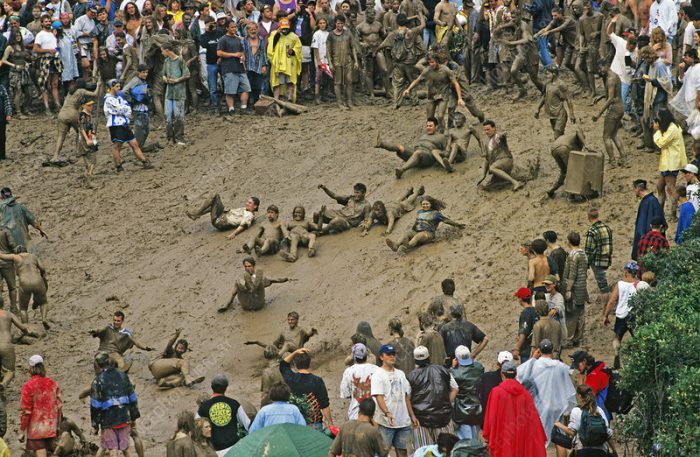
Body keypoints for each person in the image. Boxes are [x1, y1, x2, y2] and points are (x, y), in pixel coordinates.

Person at [517, 339, 576, 446]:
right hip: (556, 406)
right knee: (559, 439)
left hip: (538, 406)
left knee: (537, 438)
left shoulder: (533, 364)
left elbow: (519, 374)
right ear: (552, 350)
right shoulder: (559, 365)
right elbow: (570, 372)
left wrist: (533, 358)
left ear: (539, 350)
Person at [482, 361, 546, 457]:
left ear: (502, 374)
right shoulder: (526, 394)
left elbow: (491, 419)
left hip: (502, 440)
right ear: (516, 374)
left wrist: (489, 437)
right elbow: (533, 422)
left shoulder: (496, 392)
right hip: (520, 440)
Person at [371, 344, 419, 457]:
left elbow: (405, 396)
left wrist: (412, 416)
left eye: (393, 354)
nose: (392, 357)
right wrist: (387, 412)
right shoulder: (378, 375)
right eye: (389, 354)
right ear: (381, 357)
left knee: (403, 452)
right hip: (385, 422)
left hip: (403, 421)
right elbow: (379, 397)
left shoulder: (401, 374)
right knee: (383, 452)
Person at [408, 346, 458, 449]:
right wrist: (446, 402)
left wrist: (412, 416)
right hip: (443, 418)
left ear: (415, 360)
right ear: (429, 357)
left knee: (425, 452)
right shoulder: (443, 370)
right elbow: (455, 388)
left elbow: (407, 398)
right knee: (446, 450)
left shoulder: (410, 376)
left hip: (421, 421)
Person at [603, 261, 650, 368]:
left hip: (621, 316)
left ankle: (616, 356)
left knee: (617, 337)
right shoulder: (641, 285)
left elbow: (611, 301)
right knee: (638, 338)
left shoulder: (620, 284)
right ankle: (640, 361)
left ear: (627, 272)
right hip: (634, 315)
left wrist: (605, 315)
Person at [403, 53, 466, 131]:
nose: (431, 64)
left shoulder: (445, 70)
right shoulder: (427, 70)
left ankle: (442, 132)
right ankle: (433, 131)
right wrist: (408, 89)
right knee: (430, 118)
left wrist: (460, 98)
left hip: (443, 97)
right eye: (429, 62)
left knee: (440, 116)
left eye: (432, 62)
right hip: (431, 97)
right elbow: (417, 80)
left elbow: (456, 83)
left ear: (437, 61)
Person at [375, 118, 454, 178]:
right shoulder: (424, 135)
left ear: (436, 127)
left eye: (430, 126)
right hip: (416, 152)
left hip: (428, 156)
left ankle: (401, 170)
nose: (428, 127)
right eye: (427, 126)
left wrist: (442, 161)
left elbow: (445, 151)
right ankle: (381, 144)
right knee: (400, 147)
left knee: (418, 153)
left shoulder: (441, 137)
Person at [103, 79, 153, 172]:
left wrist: (124, 110)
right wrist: (124, 110)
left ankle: (145, 162)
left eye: (119, 86)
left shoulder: (119, 98)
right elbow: (119, 109)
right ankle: (118, 166)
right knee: (117, 145)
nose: (119, 88)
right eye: (117, 86)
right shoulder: (108, 99)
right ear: (111, 88)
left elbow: (127, 108)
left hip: (124, 124)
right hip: (116, 125)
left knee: (134, 143)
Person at [553, 384, 617, 455]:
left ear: (579, 396)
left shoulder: (576, 411)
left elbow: (572, 432)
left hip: (582, 450)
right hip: (601, 450)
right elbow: (608, 434)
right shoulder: (599, 410)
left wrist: (558, 424)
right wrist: (614, 451)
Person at [386, 196, 465, 252]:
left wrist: (457, 225)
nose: (425, 205)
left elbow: (446, 220)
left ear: (431, 204)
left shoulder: (435, 213)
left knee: (418, 236)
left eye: (427, 204)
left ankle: (408, 246)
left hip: (428, 233)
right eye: (423, 204)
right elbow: (418, 223)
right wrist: (411, 230)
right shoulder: (419, 212)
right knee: (405, 234)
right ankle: (396, 245)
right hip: (415, 231)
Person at [279, 347, 332, 430]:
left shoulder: (290, 378)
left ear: (295, 364)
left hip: (294, 423)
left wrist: (295, 353)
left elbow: (283, 365)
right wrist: (331, 424)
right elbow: (324, 405)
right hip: (314, 424)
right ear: (309, 363)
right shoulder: (317, 381)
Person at [197, 375, 250, 456]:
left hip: (216, 451)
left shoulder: (203, 408)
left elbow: (196, 429)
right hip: (236, 448)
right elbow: (248, 425)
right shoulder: (234, 404)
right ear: (226, 388)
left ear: (212, 387)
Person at [20, 355, 62, 457]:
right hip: (51, 425)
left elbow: (26, 411)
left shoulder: (28, 386)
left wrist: (22, 430)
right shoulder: (53, 383)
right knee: (50, 450)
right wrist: (58, 425)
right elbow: (59, 406)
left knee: (40, 450)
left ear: (31, 368)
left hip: (36, 428)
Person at [89, 311, 155, 372]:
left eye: (118, 321)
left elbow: (136, 342)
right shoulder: (108, 328)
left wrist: (145, 348)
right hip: (103, 350)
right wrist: (94, 331)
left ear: (122, 321)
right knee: (98, 361)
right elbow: (99, 330)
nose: (116, 322)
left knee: (121, 366)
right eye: (114, 320)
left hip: (114, 352)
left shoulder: (126, 333)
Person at [0, 246, 49, 328]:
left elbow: (1, 256)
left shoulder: (15, 257)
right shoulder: (33, 256)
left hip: (24, 283)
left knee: (23, 309)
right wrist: (42, 274)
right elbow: (42, 268)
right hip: (37, 281)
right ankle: (44, 319)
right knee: (43, 303)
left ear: (17, 252)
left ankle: (26, 326)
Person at [653, 109, 688, 219]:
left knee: (671, 189)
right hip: (668, 163)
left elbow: (662, 143)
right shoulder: (671, 127)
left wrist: (657, 131)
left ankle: (673, 215)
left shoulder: (672, 129)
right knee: (659, 187)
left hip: (671, 164)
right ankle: (660, 212)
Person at [449, 345, 483, 441]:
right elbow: (477, 366)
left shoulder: (454, 372)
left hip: (461, 410)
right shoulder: (479, 368)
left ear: (456, 359)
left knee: (464, 440)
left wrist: (452, 367)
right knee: (475, 438)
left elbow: (449, 382)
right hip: (476, 408)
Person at [217, 19, 251, 114]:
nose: (234, 29)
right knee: (230, 91)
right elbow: (219, 53)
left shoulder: (238, 39)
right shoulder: (223, 39)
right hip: (228, 68)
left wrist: (242, 56)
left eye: (235, 27)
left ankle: (243, 108)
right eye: (232, 27)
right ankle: (231, 109)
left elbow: (241, 51)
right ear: (227, 28)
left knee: (246, 88)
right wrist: (233, 54)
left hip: (240, 68)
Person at [479, 120, 524, 191]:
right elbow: (487, 159)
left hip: (506, 160)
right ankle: (508, 178)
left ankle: (516, 183)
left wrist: (503, 134)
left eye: (488, 129)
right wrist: (483, 175)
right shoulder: (486, 143)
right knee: (488, 185)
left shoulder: (497, 136)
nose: (486, 132)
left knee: (492, 168)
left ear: (494, 128)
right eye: (485, 130)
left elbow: (501, 135)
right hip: (498, 165)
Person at [326, 15, 359, 109]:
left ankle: (349, 101)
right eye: (338, 23)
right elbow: (328, 50)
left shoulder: (348, 33)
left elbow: (353, 47)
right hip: (336, 61)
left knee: (349, 81)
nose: (340, 25)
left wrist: (356, 61)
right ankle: (340, 103)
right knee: (338, 82)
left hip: (348, 61)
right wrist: (330, 63)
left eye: (341, 23)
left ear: (344, 23)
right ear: (335, 23)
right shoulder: (331, 35)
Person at [0, 307, 38, 388]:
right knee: (10, 371)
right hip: (5, 345)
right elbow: (23, 327)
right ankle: (3, 383)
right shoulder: (8, 314)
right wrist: (26, 332)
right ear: (2, 305)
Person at [340, 343, 379, 420]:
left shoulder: (348, 371)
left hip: (355, 414)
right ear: (366, 355)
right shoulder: (377, 370)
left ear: (354, 356)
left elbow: (345, 394)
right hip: (375, 414)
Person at [186, 195, 259, 236]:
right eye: (247, 202)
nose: (247, 204)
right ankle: (197, 215)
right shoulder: (247, 210)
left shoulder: (249, 215)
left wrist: (233, 234)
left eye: (250, 203)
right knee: (214, 203)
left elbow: (243, 225)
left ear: (255, 206)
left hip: (219, 221)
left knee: (215, 196)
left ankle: (197, 213)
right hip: (223, 214)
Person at [161, 41, 190, 145]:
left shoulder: (180, 60)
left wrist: (176, 80)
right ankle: (169, 138)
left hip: (179, 92)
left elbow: (187, 74)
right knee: (168, 115)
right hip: (169, 92)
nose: (162, 53)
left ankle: (179, 138)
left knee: (178, 116)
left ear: (167, 50)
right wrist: (165, 78)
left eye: (162, 51)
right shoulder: (166, 61)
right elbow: (163, 74)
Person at [563, 232, 588, 347]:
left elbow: (572, 274)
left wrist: (568, 289)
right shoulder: (583, 254)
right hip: (582, 287)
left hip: (574, 289)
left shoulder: (573, 255)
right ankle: (579, 338)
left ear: (569, 242)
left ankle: (570, 339)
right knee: (581, 314)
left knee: (571, 315)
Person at [535, 67, 576, 139]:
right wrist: (538, 108)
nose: (546, 76)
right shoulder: (547, 84)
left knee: (557, 136)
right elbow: (545, 96)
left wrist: (571, 114)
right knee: (560, 136)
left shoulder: (561, 85)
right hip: (551, 115)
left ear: (554, 74)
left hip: (560, 114)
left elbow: (568, 99)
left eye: (548, 74)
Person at [267, 17, 302, 101]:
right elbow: (270, 47)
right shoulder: (274, 34)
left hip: (290, 63)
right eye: (283, 28)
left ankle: (289, 99)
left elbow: (299, 48)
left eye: (286, 28)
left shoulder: (294, 37)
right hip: (278, 64)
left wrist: (293, 51)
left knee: (290, 82)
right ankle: (277, 100)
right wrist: (277, 35)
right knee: (277, 83)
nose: (284, 30)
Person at [632, 179, 666, 260]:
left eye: (634, 188)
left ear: (638, 189)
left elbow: (655, 223)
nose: (634, 191)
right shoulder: (647, 201)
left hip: (649, 243)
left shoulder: (651, 201)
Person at [585, 208, 613, 306]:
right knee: (603, 282)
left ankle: (606, 306)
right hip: (607, 259)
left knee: (603, 286)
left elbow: (588, 250)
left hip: (597, 261)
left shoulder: (591, 231)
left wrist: (586, 264)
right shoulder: (607, 227)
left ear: (589, 217)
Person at [569, 351, 611, 415]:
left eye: (577, 365)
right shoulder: (595, 371)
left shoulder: (595, 375)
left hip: (599, 414)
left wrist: (581, 379)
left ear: (584, 361)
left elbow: (585, 397)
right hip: (599, 411)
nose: (576, 368)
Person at [512, 287, 537, 363]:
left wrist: (517, 348)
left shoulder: (525, 313)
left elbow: (523, 333)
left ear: (520, 299)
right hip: (535, 349)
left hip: (527, 350)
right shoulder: (535, 311)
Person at [78, 98, 99, 186]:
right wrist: (87, 139)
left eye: (91, 105)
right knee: (91, 159)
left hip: (91, 137)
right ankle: (89, 178)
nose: (91, 107)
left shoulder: (89, 115)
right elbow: (82, 129)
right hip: (85, 139)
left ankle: (88, 177)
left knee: (92, 159)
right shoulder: (83, 116)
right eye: (89, 105)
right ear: (83, 106)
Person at [0, 83, 11, 161]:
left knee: (2, 136)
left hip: (1, 117)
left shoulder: (2, 88)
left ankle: (2, 155)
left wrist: (8, 113)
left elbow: (7, 101)